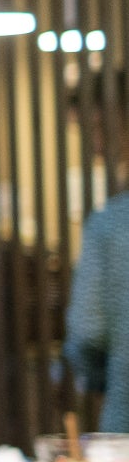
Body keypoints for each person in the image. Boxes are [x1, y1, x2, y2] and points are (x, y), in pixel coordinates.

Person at [64, 69, 129, 433]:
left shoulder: (112, 224)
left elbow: (88, 334)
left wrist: (98, 380)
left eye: (95, 130)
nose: (93, 146)